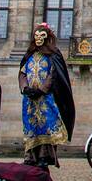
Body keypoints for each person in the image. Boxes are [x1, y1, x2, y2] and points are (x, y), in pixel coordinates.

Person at [18, 23, 75, 169]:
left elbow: (53, 74)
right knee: (31, 127)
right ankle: (30, 157)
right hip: (30, 100)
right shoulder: (29, 54)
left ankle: (44, 156)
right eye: (36, 36)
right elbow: (23, 73)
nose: (38, 39)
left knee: (46, 127)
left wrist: (42, 90)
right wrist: (25, 88)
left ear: (47, 37)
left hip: (46, 98)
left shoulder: (53, 54)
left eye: (41, 36)